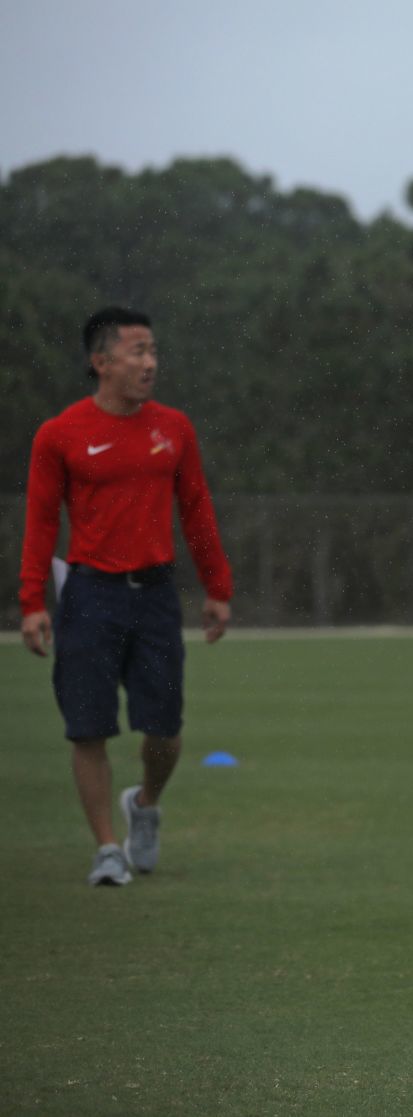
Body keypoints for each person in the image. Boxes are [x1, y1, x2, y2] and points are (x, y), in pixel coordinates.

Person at [19, 307, 233, 887]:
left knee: (163, 729)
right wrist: (32, 600)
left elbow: (196, 510)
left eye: (153, 351)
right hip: (88, 594)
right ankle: (107, 850)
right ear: (101, 362)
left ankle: (144, 805)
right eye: (138, 352)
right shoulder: (59, 434)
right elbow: (40, 522)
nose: (150, 363)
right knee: (87, 728)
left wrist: (218, 587)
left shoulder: (174, 429)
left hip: (155, 594)